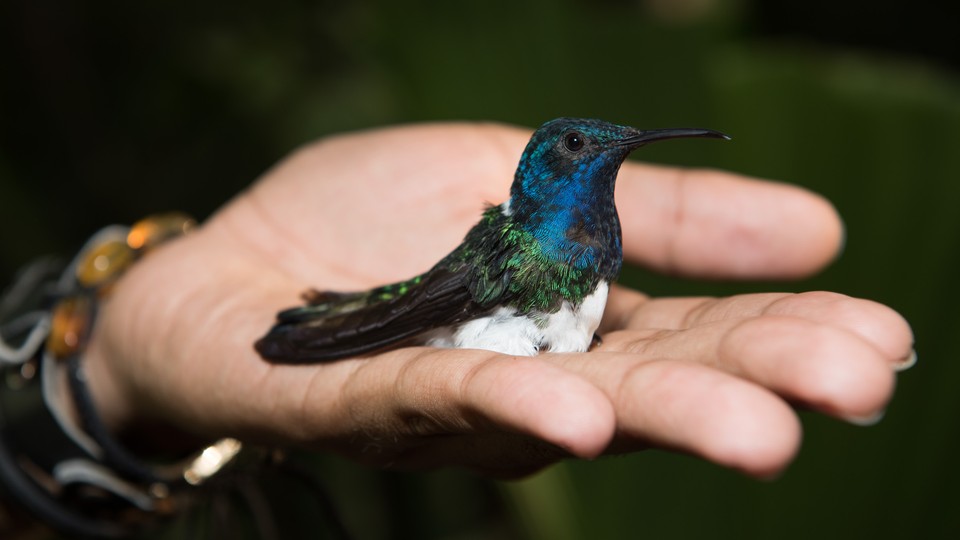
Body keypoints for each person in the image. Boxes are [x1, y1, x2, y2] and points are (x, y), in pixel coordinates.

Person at [1, 122, 915, 534]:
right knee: (363, 322)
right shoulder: (517, 247)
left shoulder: (594, 236)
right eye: (579, 147)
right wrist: (125, 360)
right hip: (465, 316)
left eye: (601, 146)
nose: (599, 154)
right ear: (548, 170)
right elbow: (430, 309)